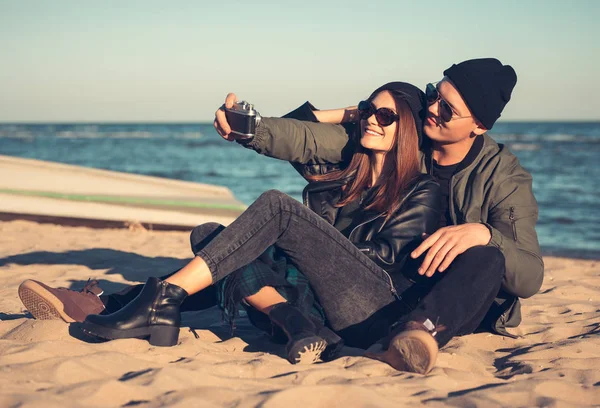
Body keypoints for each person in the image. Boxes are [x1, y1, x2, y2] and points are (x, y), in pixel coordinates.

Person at [20, 82, 444, 373]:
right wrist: (349, 112)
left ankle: (136, 300)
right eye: (369, 110)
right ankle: (293, 324)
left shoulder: (423, 189)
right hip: (313, 302)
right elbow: (298, 127)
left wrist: (301, 249)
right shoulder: (336, 177)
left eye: (386, 115)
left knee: (275, 207)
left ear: (406, 127)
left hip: (368, 306)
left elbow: (386, 262)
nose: (372, 119)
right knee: (212, 234)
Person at [215, 58, 544, 370]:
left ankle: (417, 335)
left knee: (487, 258)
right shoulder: (407, 136)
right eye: (434, 95)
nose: (431, 109)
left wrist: (483, 233)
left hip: (454, 301)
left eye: (447, 109)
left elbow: (529, 275)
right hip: (386, 286)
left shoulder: (503, 177)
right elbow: (306, 138)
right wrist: (251, 130)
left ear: (479, 125)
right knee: (217, 235)